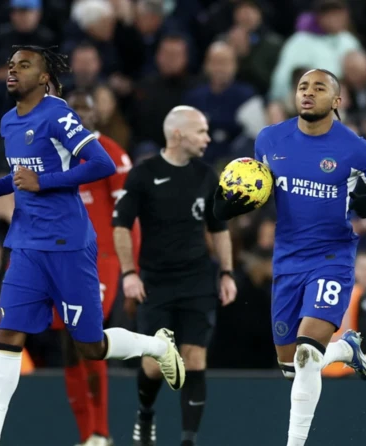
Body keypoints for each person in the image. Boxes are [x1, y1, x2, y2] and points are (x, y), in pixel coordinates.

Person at [0, 45, 185, 446]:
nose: (12, 70)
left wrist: (45, 184)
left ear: (43, 78)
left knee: (90, 346)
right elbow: (26, 174)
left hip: (68, 245)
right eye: (10, 64)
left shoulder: (57, 113)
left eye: (24, 65)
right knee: (9, 336)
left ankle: (158, 345)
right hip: (25, 245)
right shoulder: (8, 121)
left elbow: (100, 164)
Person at [213, 68, 366, 446]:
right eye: (303, 86)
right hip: (286, 262)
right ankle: (345, 348)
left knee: (305, 355)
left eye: (319, 88)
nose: (308, 93)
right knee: (292, 366)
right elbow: (261, 189)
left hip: (331, 257)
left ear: (337, 101)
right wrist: (230, 207)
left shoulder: (356, 148)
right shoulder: (270, 139)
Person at [112, 105, 237, 446]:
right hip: (155, 281)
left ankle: (187, 440)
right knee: (155, 365)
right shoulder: (143, 173)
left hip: (197, 279)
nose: (208, 138)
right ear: (178, 134)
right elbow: (120, 225)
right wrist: (129, 274)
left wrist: (226, 272)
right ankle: (145, 412)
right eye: (201, 131)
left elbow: (218, 227)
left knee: (195, 357)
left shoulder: (207, 174)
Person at [48, 89, 140, 446]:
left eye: (87, 109)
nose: (81, 115)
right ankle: (87, 434)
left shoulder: (112, 155)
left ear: (97, 115)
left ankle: (101, 431)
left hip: (99, 260)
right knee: (67, 342)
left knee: (86, 335)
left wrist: (131, 268)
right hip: (58, 257)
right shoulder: (53, 155)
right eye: (75, 110)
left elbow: (128, 218)